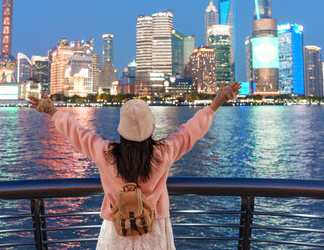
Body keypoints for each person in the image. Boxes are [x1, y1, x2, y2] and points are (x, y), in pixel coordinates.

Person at [28, 81, 241, 250]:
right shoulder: (163, 153)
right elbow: (190, 131)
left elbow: (77, 133)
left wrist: (52, 111)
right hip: (154, 226)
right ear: (150, 127)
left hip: (117, 227)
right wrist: (217, 102)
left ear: (121, 130)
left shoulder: (106, 153)